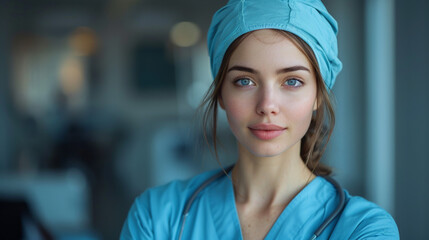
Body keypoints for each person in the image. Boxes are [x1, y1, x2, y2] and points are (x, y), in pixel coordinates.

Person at [120, 0, 399, 239]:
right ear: (220, 93)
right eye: (244, 81)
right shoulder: (157, 218)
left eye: (292, 81)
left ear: (318, 95)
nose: (267, 106)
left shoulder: (363, 229)